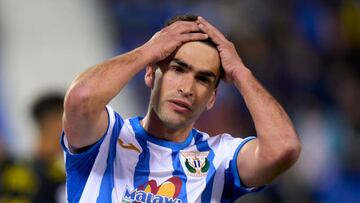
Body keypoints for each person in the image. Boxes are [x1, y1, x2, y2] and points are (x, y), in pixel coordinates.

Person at [61, 15, 301, 202]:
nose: (187, 88)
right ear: (150, 73)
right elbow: (81, 98)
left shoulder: (220, 158)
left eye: (204, 79)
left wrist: (241, 73)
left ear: (212, 98)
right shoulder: (106, 140)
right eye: (178, 69)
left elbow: (283, 148)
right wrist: (148, 51)